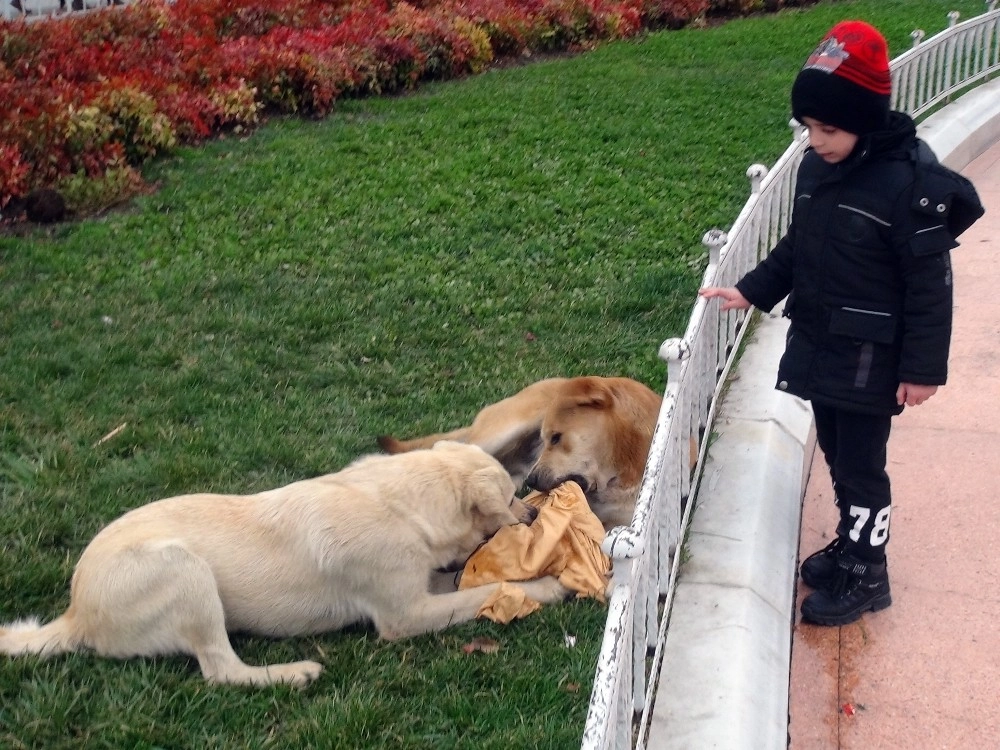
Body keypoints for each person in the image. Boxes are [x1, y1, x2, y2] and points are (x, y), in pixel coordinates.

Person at [699, 20, 984, 626]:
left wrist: (922, 370)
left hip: (872, 358)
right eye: (808, 128)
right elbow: (799, 245)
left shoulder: (910, 185)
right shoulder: (820, 168)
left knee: (861, 463)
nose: (816, 140)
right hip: (824, 341)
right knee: (834, 448)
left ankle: (869, 572)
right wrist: (751, 290)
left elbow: (932, 288)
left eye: (828, 129)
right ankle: (852, 546)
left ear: (866, 120)